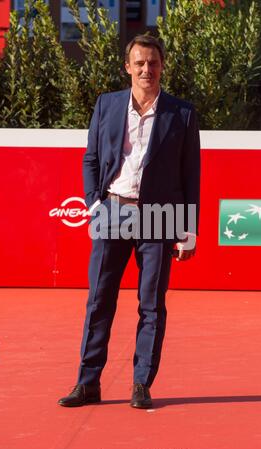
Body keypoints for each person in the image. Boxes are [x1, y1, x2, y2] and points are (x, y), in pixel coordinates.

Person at [58, 34, 201, 409]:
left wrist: (188, 230)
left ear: (162, 66)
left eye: (152, 63)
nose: (146, 70)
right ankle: (87, 383)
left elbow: (190, 176)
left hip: (160, 217)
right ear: (127, 67)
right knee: (99, 301)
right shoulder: (107, 105)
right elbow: (90, 158)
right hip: (112, 212)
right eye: (139, 63)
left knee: (151, 304)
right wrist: (94, 205)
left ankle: (141, 383)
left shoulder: (181, 113)